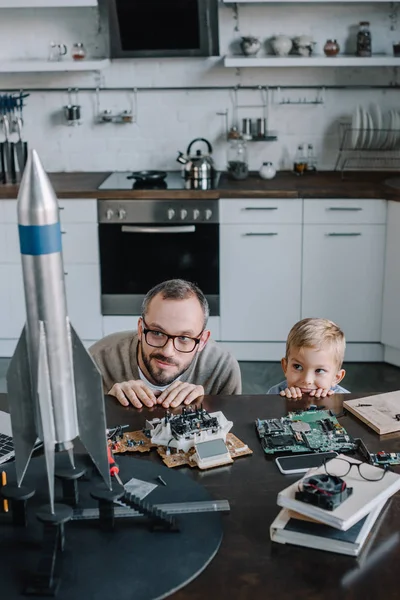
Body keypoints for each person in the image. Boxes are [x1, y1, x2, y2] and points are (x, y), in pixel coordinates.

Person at [90, 279, 242, 408]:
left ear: (202, 341)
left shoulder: (221, 368)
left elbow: (233, 436)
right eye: (157, 333)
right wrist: (107, 405)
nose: (168, 351)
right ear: (140, 329)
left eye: (184, 338)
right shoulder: (97, 361)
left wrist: (207, 405)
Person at [267, 318, 349, 398]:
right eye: (297, 367)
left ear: (336, 377)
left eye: (319, 370)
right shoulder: (275, 394)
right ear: (285, 367)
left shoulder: (345, 401)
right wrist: (285, 403)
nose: (307, 380)